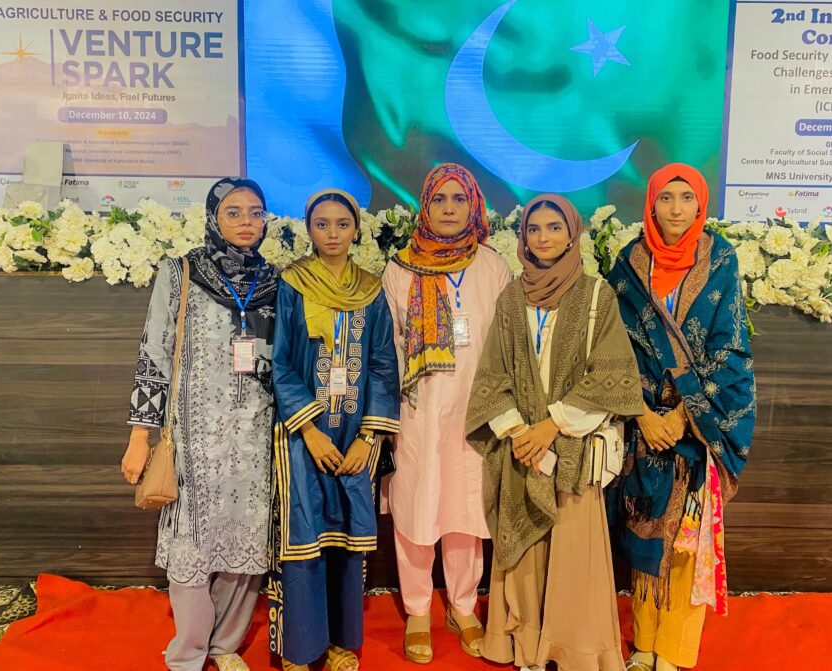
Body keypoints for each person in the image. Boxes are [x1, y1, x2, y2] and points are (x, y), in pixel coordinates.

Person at [465, 194, 643, 671]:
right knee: (525, 552)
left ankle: (573, 651)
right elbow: (492, 376)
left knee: (574, 555)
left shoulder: (596, 295)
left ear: (571, 234)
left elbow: (612, 375)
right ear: (523, 237)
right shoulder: (511, 298)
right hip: (522, 448)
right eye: (534, 229)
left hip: (572, 447)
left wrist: (552, 426)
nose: (543, 237)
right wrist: (518, 432)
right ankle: (526, 646)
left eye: (554, 227)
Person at [121, 178, 278, 671]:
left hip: (256, 433)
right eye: (234, 212)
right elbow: (154, 353)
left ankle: (224, 645)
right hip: (193, 434)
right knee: (192, 538)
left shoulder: (276, 280)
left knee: (247, 533)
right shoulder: (181, 272)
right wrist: (140, 436)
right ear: (213, 218)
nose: (246, 221)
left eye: (256, 212)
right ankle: (188, 650)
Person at [608, 164, 756, 671]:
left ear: (700, 205)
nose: (676, 208)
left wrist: (681, 414)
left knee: (686, 541)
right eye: (666, 197)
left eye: (686, 198)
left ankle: (672, 651)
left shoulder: (720, 260)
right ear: (651, 204)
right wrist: (643, 414)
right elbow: (613, 349)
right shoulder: (629, 264)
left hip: (697, 426)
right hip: (643, 423)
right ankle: (643, 644)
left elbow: (730, 346)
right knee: (644, 532)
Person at [382, 163, 512, 663]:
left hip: (476, 409)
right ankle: (418, 609)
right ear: (425, 206)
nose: (450, 208)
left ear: (474, 205)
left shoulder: (492, 267)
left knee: (464, 508)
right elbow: (389, 347)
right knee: (417, 505)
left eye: (459, 199)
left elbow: (506, 343)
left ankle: (463, 606)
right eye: (440, 199)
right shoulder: (400, 268)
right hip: (418, 409)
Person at [268, 189, 400, 671]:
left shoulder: (371, 289)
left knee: (346, 536)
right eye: (321, 224)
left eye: (342, 224)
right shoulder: (293, 283)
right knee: (303, 537)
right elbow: (282, 362)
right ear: (308, 228)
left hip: (354, 437)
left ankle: (342, 641)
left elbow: (383, 365)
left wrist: (369, 438)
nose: (332, 233)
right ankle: (301, 648)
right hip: (305, 435)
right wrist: (309, 431)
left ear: (356, 230)